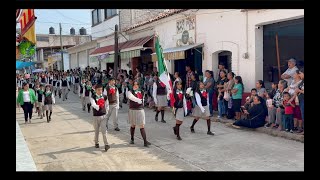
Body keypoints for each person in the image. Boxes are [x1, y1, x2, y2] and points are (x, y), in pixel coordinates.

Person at [127, 80, 151, 147]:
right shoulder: (129, 92)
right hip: (133, 110)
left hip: (140, 109)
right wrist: (138, 100)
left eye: (136, 84)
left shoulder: (142, 91)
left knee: (142, 125)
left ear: (138, 85)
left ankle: (145, 141)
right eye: (134, 84)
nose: (135, 86)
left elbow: (143, 100)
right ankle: (132, 139)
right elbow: (131, 97)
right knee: (133, 125)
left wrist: (142, 103)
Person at [90, 84, 110, 151]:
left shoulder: (105, 96)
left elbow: (107, 105)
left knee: (104, 131)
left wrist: (106, 111)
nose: (100, 91)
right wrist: (98, 106)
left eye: (101, 89)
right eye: (99, 90)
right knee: (97, 131)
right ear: (95, 90)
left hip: (103, 116)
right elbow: (93, 104)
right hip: (96, 116)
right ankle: (96, 142)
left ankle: (106, 144)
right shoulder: (93, 97)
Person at [295, 69, 304, 134]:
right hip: (301, 100)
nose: (299, 75)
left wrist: (299, 91)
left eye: (300, 73)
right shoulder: (302, 81)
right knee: (302, 114)